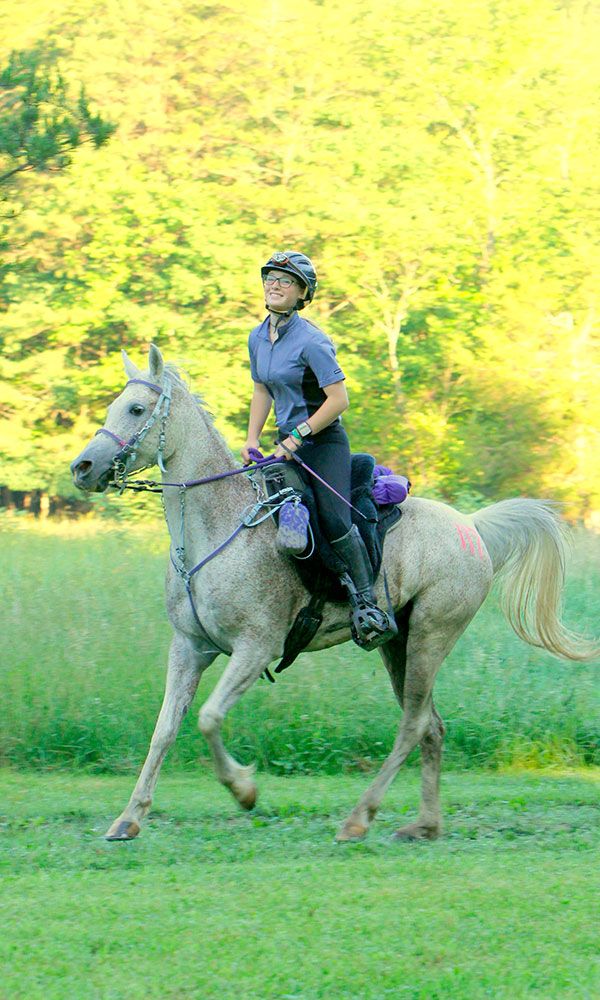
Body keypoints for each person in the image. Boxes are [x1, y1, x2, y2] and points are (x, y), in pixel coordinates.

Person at [242, 250, 396, 650]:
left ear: (301, 294)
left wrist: (298, 436)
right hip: (284, 443)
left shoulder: (313, 341)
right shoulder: (257, 336)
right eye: (270, 277)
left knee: (331, 514)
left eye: (285, 281)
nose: (274, 284)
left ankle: (366, 602)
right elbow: (262, 389)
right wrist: (251, 438)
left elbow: (339, 400)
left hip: (322, 441)